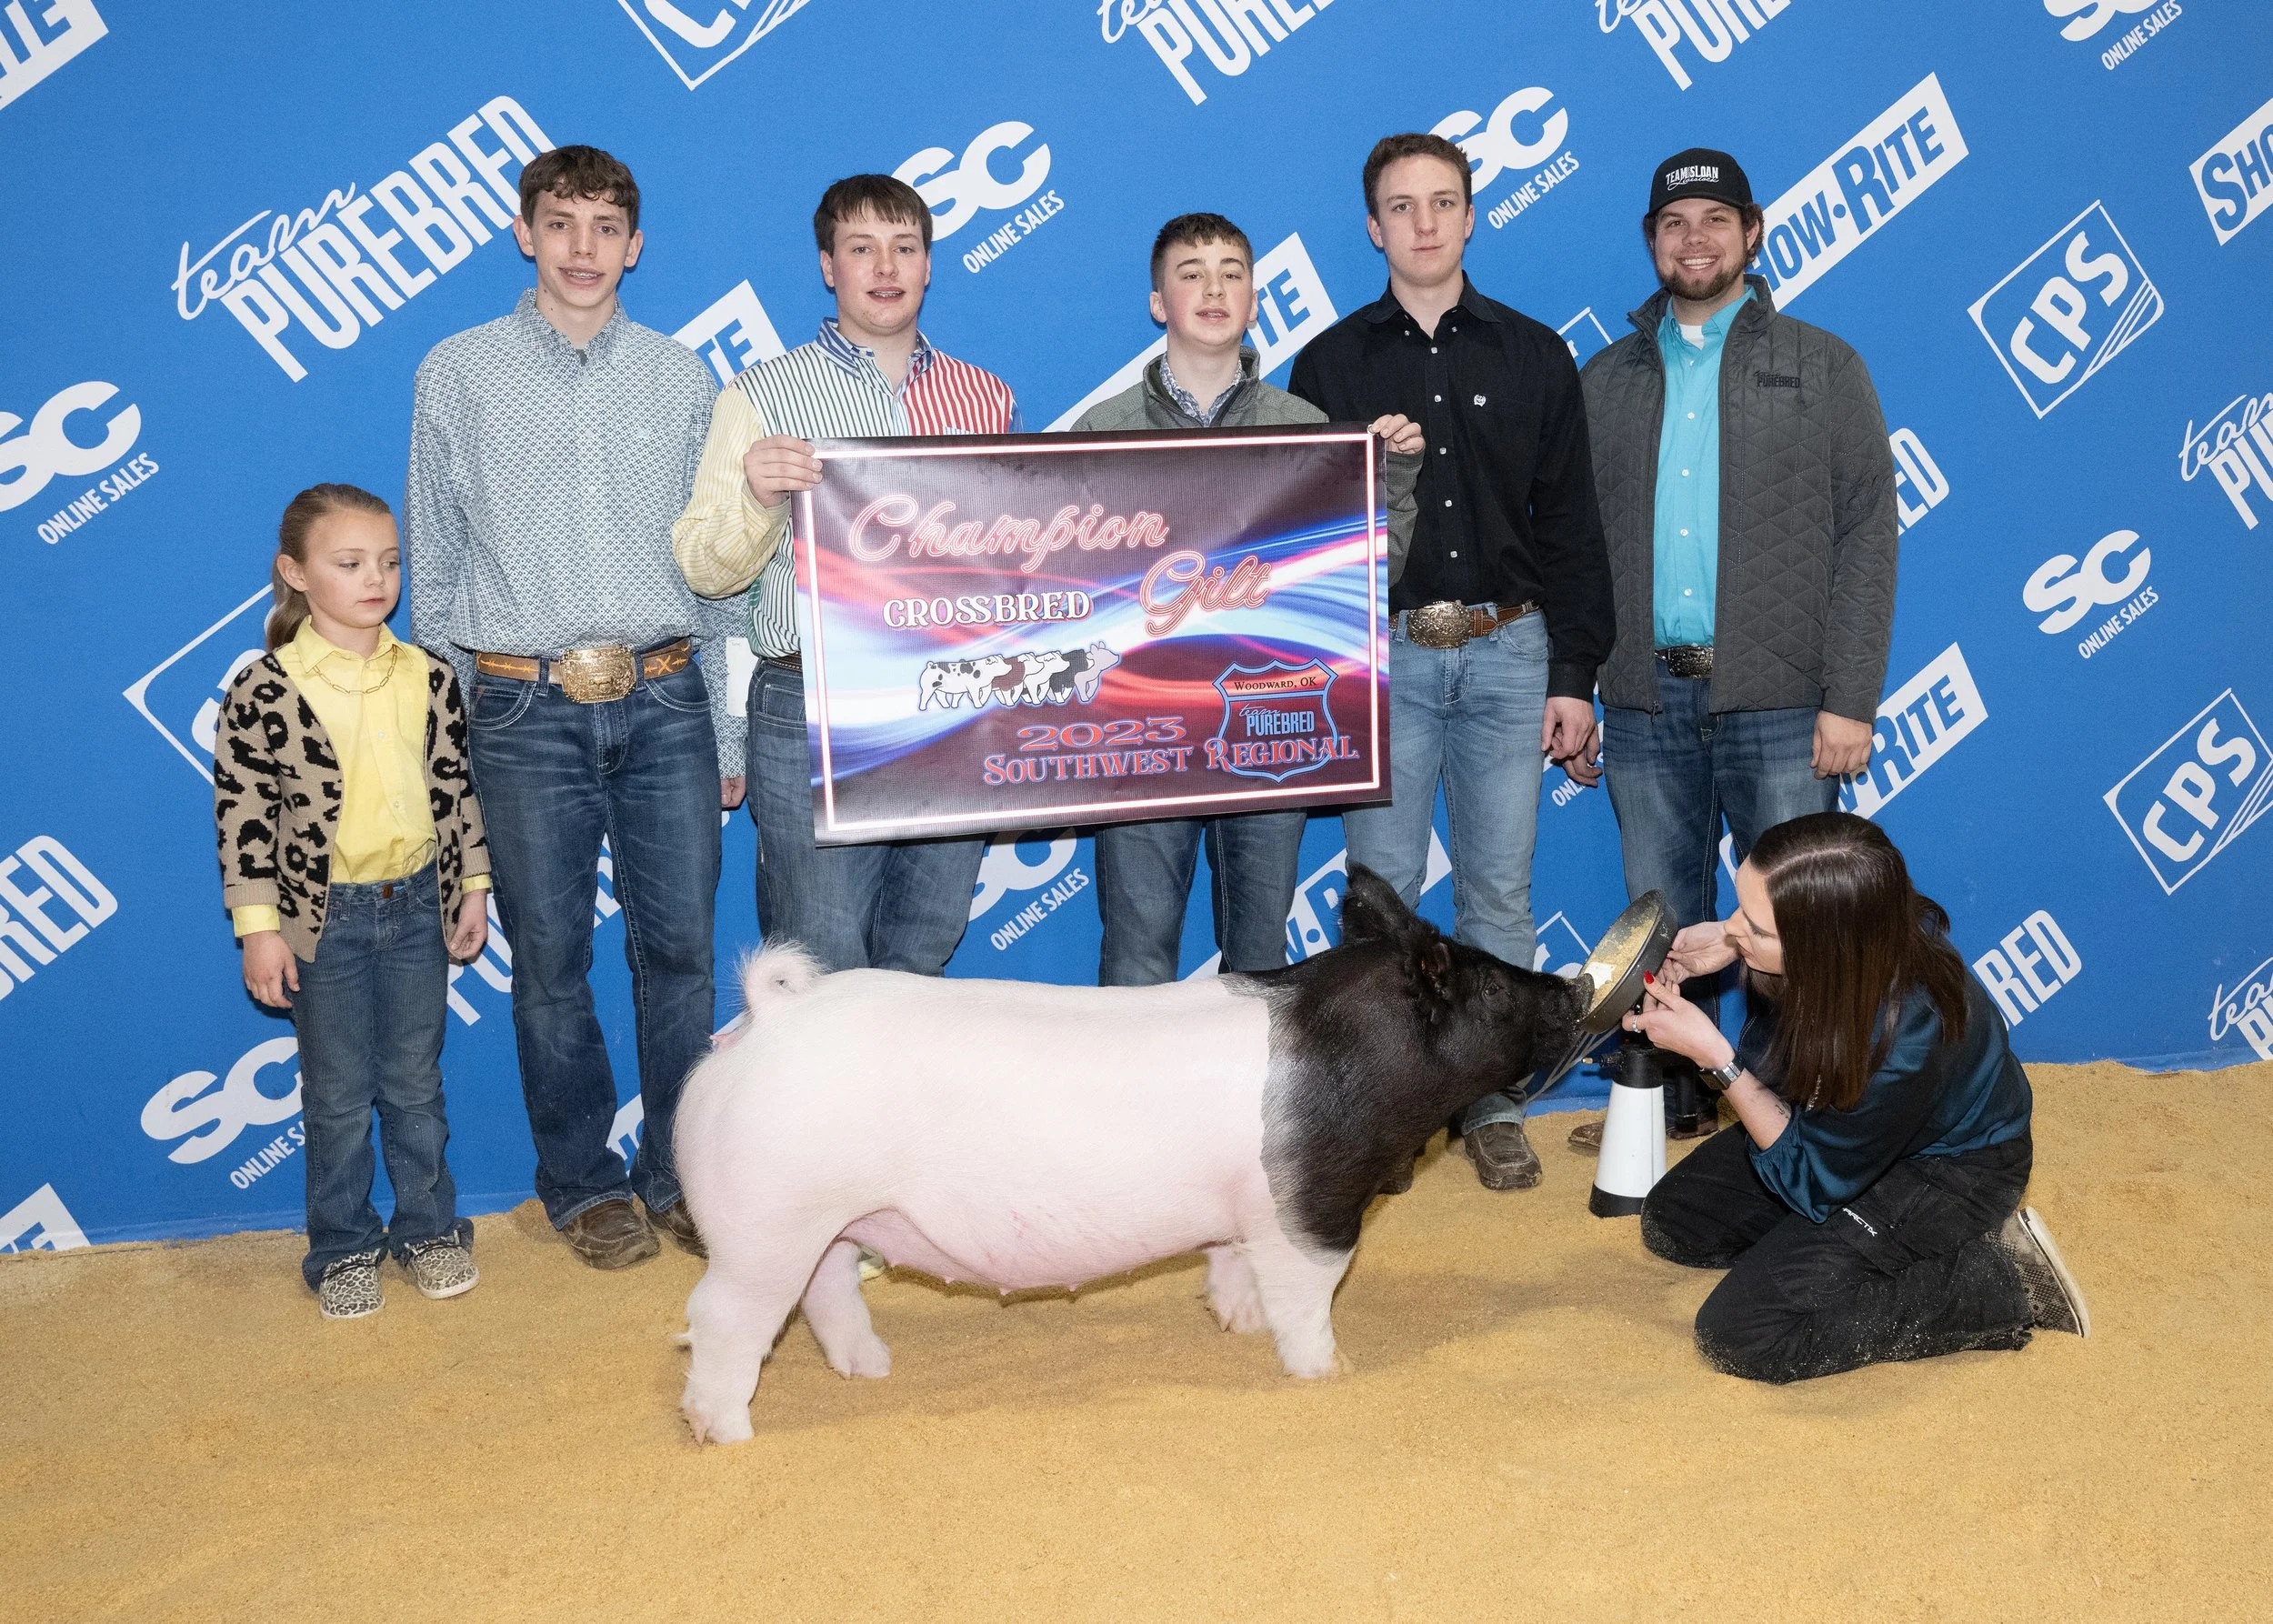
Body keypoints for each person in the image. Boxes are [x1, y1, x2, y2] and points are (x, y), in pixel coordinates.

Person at [406, 145, 735, 1270]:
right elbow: (436, 566)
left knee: (681, 952)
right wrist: (453, 738)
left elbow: (718, 562)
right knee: (547, 961)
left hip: (666, 691)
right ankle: (583, 1183)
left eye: (605, 226)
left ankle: (685, 1174)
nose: (583, 247)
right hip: (519, 704)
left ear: (635, 245)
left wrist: (727, 722)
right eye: (561, 223)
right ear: (524, 233)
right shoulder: (456, 370)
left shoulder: (683, 375)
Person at [1289, 133, 1616, 1191]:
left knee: (1499, 896)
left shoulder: (1533, 353)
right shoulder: (1329, 365)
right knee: (1380, 897)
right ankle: (1378, 1110)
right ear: (1373, 226)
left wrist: (1574, 673)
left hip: (1511, 647)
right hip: (1382, 657)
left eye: (1443, 202)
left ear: (1471, 217)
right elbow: (1299, 545)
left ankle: (1488, 1103)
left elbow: (1571, 526)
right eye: (1401, 205)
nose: (1424, 223)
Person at [1572, 149, 1896, 1150]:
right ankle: (1671, 1099)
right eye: (1674, 224)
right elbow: (1572, 547)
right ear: (1651, 242)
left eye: (1715, 219)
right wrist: (1579, 685)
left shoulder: (1823, 363)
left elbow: (1866, 534)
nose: (1694, 239)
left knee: (1797, 926)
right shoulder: (1606, 379)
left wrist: (1851, 696)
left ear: (1751, 235)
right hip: (1640, 699)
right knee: (1659, 922)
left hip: (1786, 703)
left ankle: (1811, 1112)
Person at [672, 175, 1017, 975]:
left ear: (930, 265)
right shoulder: (763, 394)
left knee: (924, 948)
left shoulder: (986, 397)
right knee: (819, 960)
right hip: (813, 700)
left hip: (953, 695)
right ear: (829, 266)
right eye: (862, 249)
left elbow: (1009, 565)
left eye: (904, 248)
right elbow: (704, 567)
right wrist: (758, 495)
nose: (885, 267)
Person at [1068, 212, 1422, 985]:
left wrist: (1395, 480)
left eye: (1232, 271)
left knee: (1261, 963)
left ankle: (1249, 1113)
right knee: (1137, 958)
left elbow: (1370, 581)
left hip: (1269, 723)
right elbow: (1072, 597)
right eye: (1191, 273)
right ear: (1160, 301)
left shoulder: (1304, 431)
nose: (1213, 287)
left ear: (1255, 296)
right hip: (1143, 731)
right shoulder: (1103, 430)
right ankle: (1131, 1110)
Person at [1622, 812, 2088, 1383]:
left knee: (1741, 1335)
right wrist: (1733, 941)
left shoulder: (1907, 1034)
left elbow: (1814, 1178)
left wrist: (1717, 1059)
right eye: (1741, 907)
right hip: (1845, 1126)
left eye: (1757, 927)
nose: (1735, 927)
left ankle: (2001, 1282)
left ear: (1825, 947)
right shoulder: (1861, 931)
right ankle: (1841, 1255)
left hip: (1952, 1173)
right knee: (1676, 1223)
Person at [215, 485, 491, 1318]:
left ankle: (429, 1230)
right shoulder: (265, 688)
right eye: (349, 563)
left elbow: (455, 791)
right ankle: (340, 1246)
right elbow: (244, 820)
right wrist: (259, 932)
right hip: (320, 921)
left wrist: (471, 885)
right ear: (294, 573)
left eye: (389, 562)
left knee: (413, 1082)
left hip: (415, 907)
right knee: (335, 1097)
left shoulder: (429, 676)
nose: (376, 579)